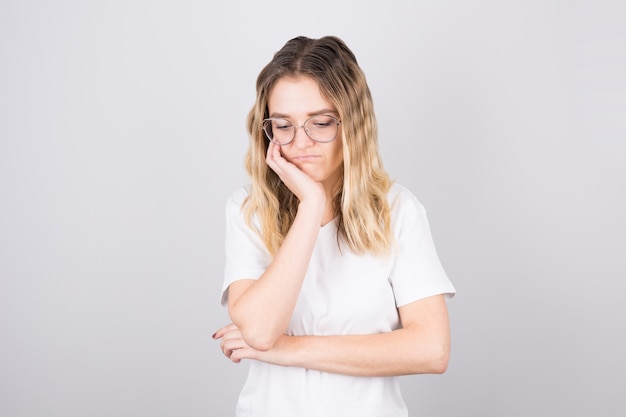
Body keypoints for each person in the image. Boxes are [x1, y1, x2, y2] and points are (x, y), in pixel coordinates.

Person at [212, 35, 456, 417]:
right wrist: (311, 206)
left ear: (352, 124)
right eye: (283, 126)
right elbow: (259, 331)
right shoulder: (248, 210)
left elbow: (431, 348)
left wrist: (288, 350)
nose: (301, 142)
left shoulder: (398, 210)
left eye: (321, 123)